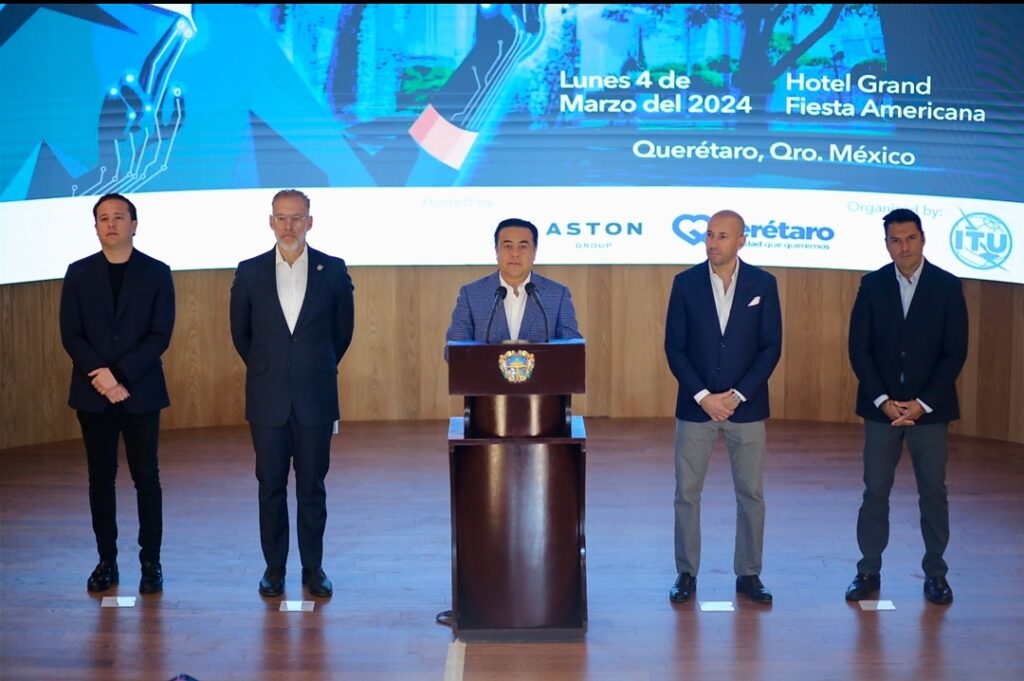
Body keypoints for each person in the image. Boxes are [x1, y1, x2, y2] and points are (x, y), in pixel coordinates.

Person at [229, 189, 355, 599]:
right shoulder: (249, 271)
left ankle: (313, 568)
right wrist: (273, 368)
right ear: (270, 222)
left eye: (296, 218)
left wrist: (309, 366)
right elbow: (241, 334)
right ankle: (274, 569)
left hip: (315, 397)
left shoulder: (332, 270)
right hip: (267, 399)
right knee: (270, 486)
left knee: (312, 488)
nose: (289, 225)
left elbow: (342, 332)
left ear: (309, 222)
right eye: (281, 218)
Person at [845, 208, 968, 605]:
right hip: (881, 410)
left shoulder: (947, 286)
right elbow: (859, 349)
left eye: (910, 238)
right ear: (886, 244)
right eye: (895, 240)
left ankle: (936, 574)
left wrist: (922, 403)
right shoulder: (872, 284)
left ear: (923, 239)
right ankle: (868, 571)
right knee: (875, 491)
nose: (904, 247)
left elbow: (954, 352)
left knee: (933, 492)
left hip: (929, 411)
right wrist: (883, 400)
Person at [59, 192, 175, 595]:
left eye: (119, 217)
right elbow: (71, 333)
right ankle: (106, 560)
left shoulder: (157, 272)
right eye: (103, 218)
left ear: (134, 225)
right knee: (100, 478)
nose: (111, 224)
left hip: (141, 390)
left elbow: (160, 335)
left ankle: (150, 562)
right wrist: (103, 379)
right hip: (93, 393)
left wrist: (119, 375)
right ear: (95, 227)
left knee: (147, 477)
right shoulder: (78, 273)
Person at [663, 209, 782, 605]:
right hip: (696, 406)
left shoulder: (764, 283)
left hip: (746, 407)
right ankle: (686, 573)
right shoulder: (685, 283)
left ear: (741, 241)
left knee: (751, 494)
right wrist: (703, 396)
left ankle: (749, 574)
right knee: (686, 493)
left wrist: (738, 395)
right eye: (710, 235)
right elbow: (675, 347)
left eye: (722, 236)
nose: (712, 243)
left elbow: (770, 347)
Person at [445, 218, 581, 344]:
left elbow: (572, 350)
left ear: (534, 252)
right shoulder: (471, 295)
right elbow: (455, 348)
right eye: (508, 246)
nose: (515, 253)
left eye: (523, 246)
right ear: (496, 251)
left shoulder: (558, 295)